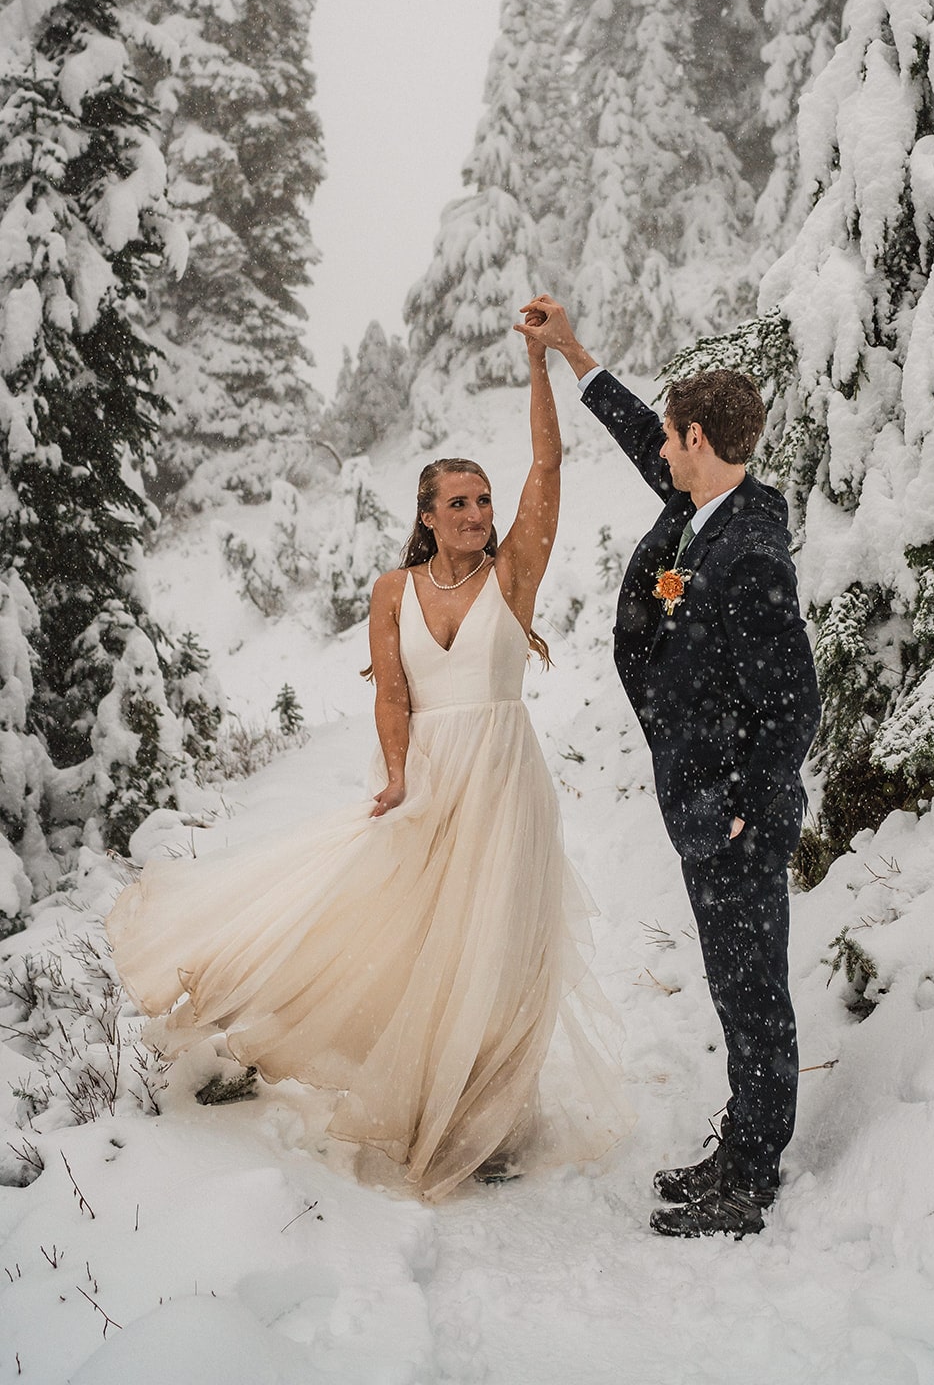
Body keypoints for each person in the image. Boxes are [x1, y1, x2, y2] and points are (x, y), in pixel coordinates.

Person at [107, 322, 627, 1202]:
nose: (476, 515)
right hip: (430, 777)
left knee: (500, 946)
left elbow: (551, 469)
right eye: (457, 504)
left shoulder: (513, 576)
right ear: (425, 516)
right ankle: (420, 1093)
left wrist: (541, 366)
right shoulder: (394, 591)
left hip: (505, 779)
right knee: (418, 941)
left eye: (482, 502)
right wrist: (396, 774)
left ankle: (493, 1120)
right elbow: (392, 692)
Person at [515, 295, 821, 1239]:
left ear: (702, 439)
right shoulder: (710, 503)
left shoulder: (750, 554)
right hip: (702, 804)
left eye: (673, 441)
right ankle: (740, 1146)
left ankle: (753, 1175)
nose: (663, 454)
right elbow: (640, 432)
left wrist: (742, 806)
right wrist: (573, 355)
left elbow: (794, 705)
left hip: (732, 818)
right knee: (734, 985)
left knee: (752, 989)